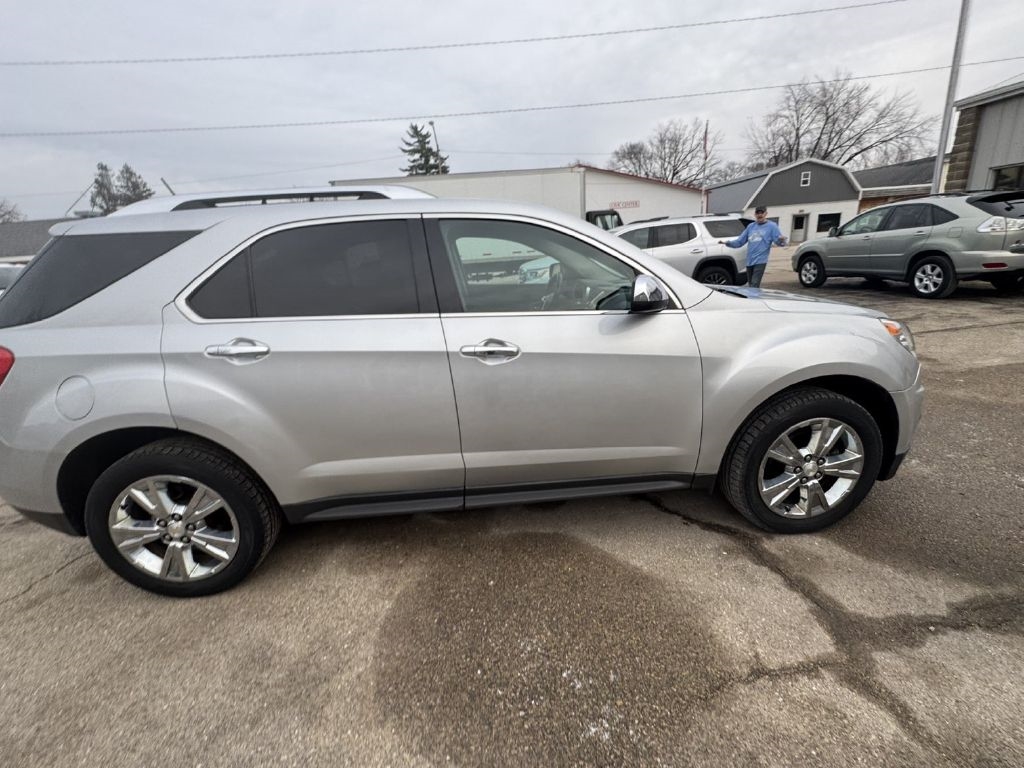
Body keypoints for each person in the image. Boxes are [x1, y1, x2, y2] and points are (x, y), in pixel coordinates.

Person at [719, 206, 787, 289]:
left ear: (766, 214)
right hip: (749, 261)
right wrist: (728, 243)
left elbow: (779, 242)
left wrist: (782, 240)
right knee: (751, 284)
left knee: (754, 284)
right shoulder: (751, 226)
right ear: (755, 214)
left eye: (761, 213)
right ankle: (754, 300)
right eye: (757, 213)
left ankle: (754, 300)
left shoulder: (772, 226)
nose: (760, 215)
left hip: (760, 261)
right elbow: (740, 241)